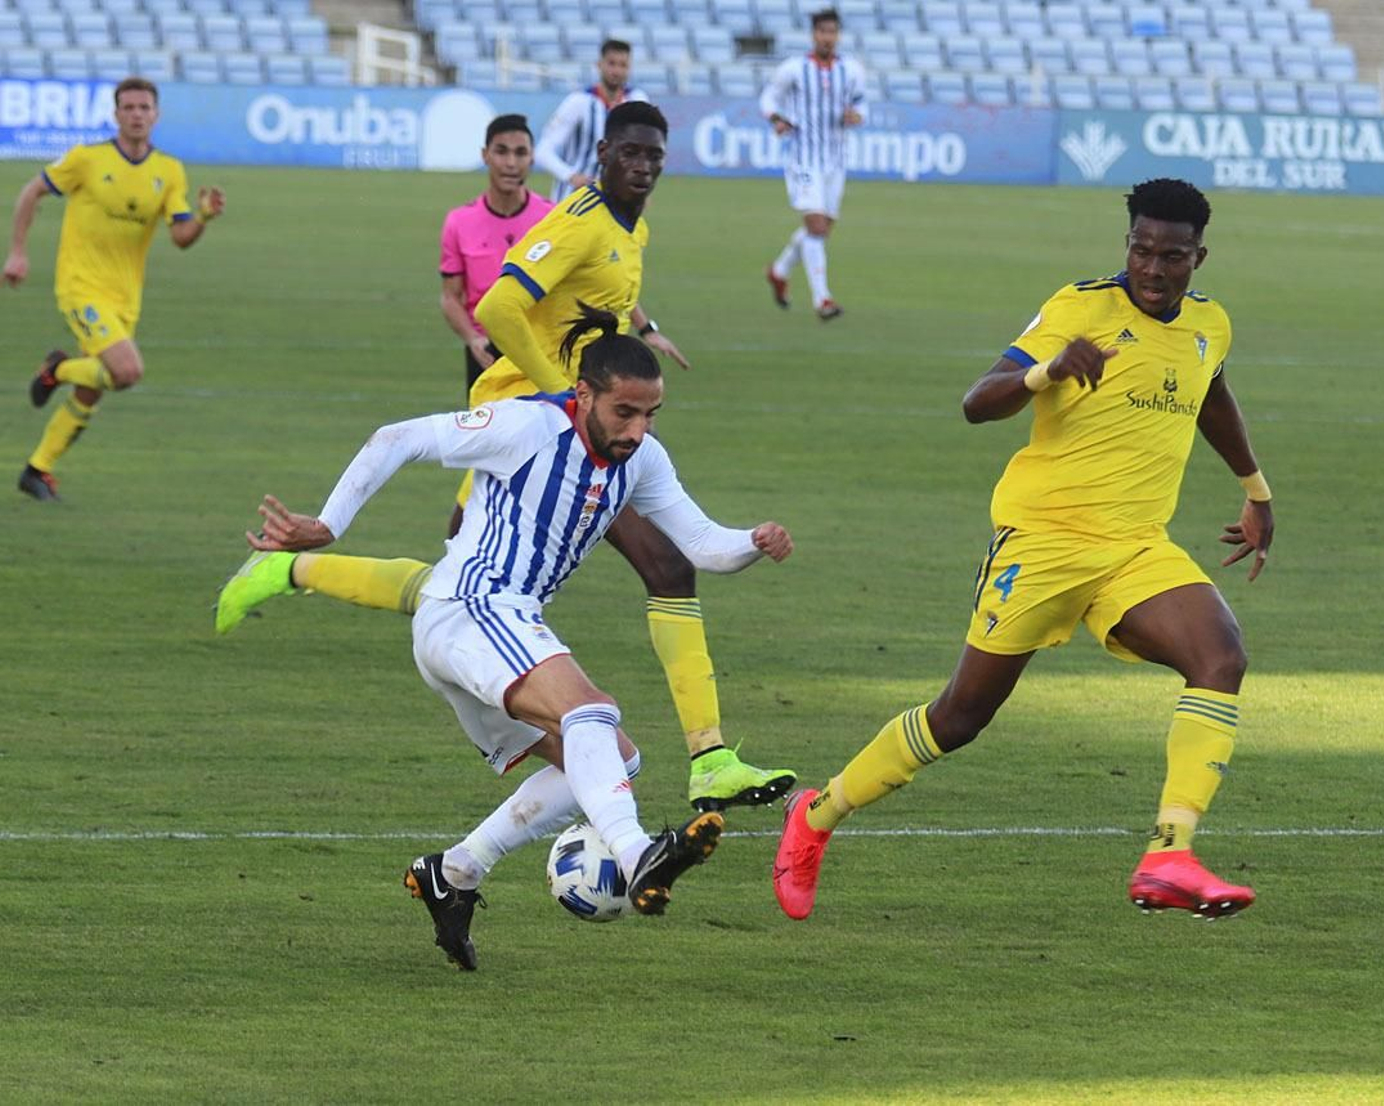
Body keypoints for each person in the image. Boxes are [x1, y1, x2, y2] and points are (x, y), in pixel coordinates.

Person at [216, 104, 790, 816]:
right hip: (533, 426)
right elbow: (498, 310)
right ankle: (705, 761)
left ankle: (711, 758)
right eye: (632, 154)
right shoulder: (579, 219)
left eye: (656, 157)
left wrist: (646, 332)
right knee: (467, 586)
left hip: (580, 420)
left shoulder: (630, 227)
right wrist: (557, 395)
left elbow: (604, 298)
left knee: (487, 578)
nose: (644, 168)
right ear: (605, 153)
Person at [773, 179, 1275, 922]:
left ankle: (1170, 853)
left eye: (1172, 256)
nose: (1154, 268)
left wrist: (1256, 490)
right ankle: (817, 816)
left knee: (1221, 657)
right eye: (1141, 250)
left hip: (1135, 547)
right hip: (1040, 543)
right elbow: (979, 401)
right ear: (1126, 246)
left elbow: (1209, 394)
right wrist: (1049, 371)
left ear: (1199, 256)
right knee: (960, 718)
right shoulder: (1079, 308)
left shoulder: (1210, 325)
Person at [242, 305, 795, 970]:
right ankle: (636, 851)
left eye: (651, 415)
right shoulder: (526, 426)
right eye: (626, 412)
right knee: (590, 710)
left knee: (610, 757)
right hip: (469, 608)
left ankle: (456, 871)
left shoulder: (641, 458)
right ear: (584, 394)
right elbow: (396, 438)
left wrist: (753, 543)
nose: (638, 429)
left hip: (494, 625)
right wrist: (329, 523)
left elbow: (704, 546)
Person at [6, 77, 224, 501]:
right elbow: (32, 191)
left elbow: (181, 237)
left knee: (94, 388)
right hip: (81, 285)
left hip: (126, 297)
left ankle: (37, 469)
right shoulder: (87, 159)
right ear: (116, 114)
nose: (137, 115)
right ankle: (57, 370)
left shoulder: (169, 170)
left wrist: (202, 217)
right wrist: (18, 252)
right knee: (126, 371)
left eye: (145, 107)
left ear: (156, 115)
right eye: (129, 107)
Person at [759, 9, 866, 322]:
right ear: (814, 34)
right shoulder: (793, 68)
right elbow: (769, 98)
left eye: (832, 32)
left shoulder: (852, 70)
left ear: (838, 35)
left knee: (820, 230)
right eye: (822, 32)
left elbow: (862, 103)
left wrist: (857, 115)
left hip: (836, 160)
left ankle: (779, 271)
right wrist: (777, 119)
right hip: (803, 158)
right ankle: (823, 299)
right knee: (816, 227)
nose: (827, 38)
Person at [439, 113, 553, 399]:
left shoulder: (552, 219)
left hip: (540, 351)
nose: (511, 163)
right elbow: (451, 297)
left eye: (520, 153)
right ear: (485, 155)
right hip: (486, 353)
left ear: (532, 158)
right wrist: (472, 339)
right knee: (486, 442)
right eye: (501, 151)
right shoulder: (459, 222)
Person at [535, 39, 650, 204]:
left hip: (616, 203)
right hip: (572, 202)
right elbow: (543, 151)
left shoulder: (637, 100)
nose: (616, 71)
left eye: (623, 65)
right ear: (599, 65)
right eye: (611, 64)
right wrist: (571, 176)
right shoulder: (579, 102)